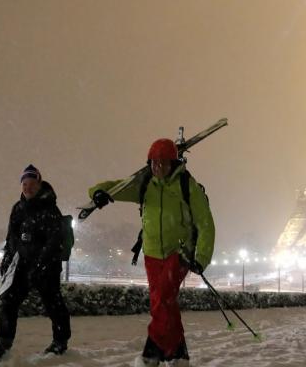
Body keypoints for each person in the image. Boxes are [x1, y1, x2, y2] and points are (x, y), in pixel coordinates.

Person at [89, 138, 215, 367]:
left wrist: (201, 257)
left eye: (164, 163)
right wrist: (98, 192)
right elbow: (119, 186)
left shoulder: (187, 186)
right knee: (165, 303)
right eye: (154, 163)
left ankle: (152, 352)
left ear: (173, 163)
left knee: (162, 302)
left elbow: (205, 222)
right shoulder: (146, 183)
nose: (158, 168)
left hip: (178, 252)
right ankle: (178, 354)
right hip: (152, 253)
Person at [0, 164, 72, 359]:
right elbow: (11, 239)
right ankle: (3, 341)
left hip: (46, 267)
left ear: (39, 184)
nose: (28, 187)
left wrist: (41, 265)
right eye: (24, 183)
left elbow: (54, 241)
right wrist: (6, 261)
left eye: (32, 183)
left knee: (53, 303)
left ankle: (60, 341)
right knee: (10, 301)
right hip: (22, 266)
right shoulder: (18, 208)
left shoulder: (50, 209)